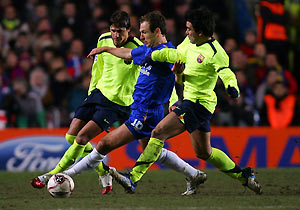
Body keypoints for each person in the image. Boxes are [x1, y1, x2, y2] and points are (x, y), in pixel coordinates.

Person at [110, 7, 263, 195]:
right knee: (203, 152)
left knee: (158, 132)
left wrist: (232, 87)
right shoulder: (188, 43)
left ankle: (133, 177)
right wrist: (161, 62)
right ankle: (244, 175)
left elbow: (226, 72)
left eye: (189, 29)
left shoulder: (216, 52)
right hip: (191, 101)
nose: (186, 32)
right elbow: (174, 57)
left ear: (200, 32)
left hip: (198, 103)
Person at [62, 11, 207, 196]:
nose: (140, 36)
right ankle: (193, 174)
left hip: (145, 113)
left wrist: (181, 72)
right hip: (139, 109)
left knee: (104, 144)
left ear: (157, 31)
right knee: (153, 150)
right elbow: (128, 53)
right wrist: (105, 49)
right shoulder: (148, 50)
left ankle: (67, 174)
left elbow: (181, 67)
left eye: (144, 32)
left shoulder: (166, 53)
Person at [30, 10, 143, 194]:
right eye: (113, 30)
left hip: (117, 103)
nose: (116, 35)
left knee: (82, 138)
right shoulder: (103, 39)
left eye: (120, 31)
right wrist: (91, 92)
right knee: (71, 136)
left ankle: (50, 175)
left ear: (129, 30)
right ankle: (103, 172)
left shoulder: (137, 48)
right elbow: (98, 68)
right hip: (97, 94)